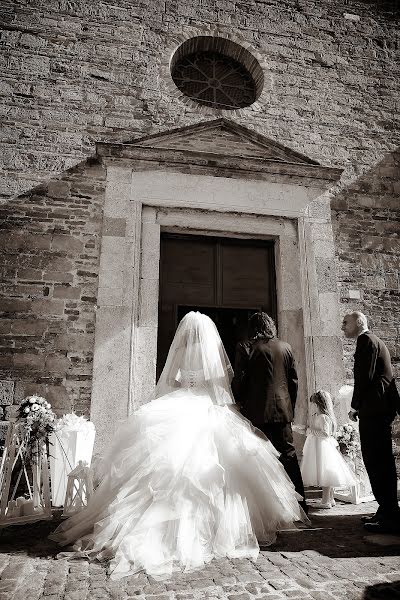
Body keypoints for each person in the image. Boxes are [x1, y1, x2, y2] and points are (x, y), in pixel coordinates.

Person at [50, 311, 308, 580]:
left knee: (163, 464)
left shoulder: (181, 350)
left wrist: (186, 383)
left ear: (184, 333)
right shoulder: (213, 349)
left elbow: (171, 381)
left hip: (182, 401)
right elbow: (222, 384)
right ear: (207, 332)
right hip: (207, 404)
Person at [232, 311, 308, 515]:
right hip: (282, 412)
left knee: (256, 458)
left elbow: (240, 379)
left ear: (252, 328)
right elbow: (293, 382)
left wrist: (237, 399)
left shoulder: (245, 347)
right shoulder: (286, 347)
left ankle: (262, 510)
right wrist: (289, 407)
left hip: (255, 413)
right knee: (288, 456)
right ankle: (300, 505)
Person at [342, 311, 400, 533]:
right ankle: (386, 510)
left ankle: (389, 516)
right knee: (381, 462)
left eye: (345, 322)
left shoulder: (366, 340)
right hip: (380, 410)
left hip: (374, 411)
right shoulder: (375, 341)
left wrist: (355, 406)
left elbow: (363, 376)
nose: (342, 326)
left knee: (377, 462)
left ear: (358, 323)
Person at [300, 390, 356, 508]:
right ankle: (330, 499)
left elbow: (325, 434)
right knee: (325, 473)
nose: (312, 406)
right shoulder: (319, 416)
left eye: (314, 404)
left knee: (325, 473)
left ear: (319, 404)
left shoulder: (323, 417)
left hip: (322, 448)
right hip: (318, 446)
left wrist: (310, 431)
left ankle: (325, 501)